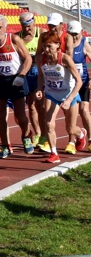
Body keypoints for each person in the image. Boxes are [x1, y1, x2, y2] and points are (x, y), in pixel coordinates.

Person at [0, 14, 34, 159]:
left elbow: (28, 59)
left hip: (15, 78)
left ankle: (26, 136)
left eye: (0, 27)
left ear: (5, 27)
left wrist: (21, 75)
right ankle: (5, 145)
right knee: (0, 115)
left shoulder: (14, 39)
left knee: (20, 115)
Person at [36, 31, 82, 164]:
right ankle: (54, 153)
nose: (46, 49)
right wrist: (40, 89)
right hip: (52, 94)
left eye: (49, 46)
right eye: (44, 46)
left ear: (57, 45)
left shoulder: (65, 59)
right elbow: (40, 76)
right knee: (49, 124)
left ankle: (81, 134)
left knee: (71, 129)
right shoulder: (41, 58)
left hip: (69, 94)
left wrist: (68, 100)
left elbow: (79, 81)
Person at [17, 12, 44, 149]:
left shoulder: (42, 33)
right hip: (26, 71)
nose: (27, 29)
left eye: (28, 25)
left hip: (39, 71)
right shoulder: (18, 37)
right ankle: (38, 134)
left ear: (34, 22)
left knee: (42, 106)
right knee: (31, 105)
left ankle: (46, 133)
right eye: (23, 26)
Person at [66, 20, 90, 153]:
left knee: (84, 111)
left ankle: (90, 139)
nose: (74, 37)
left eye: (76, 33)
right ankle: (71, 141)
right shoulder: (65, 45)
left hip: (84, 82)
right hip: (70, 84)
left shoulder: (84, 44)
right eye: (71, 33)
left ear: (80, 32)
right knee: (71, 113)